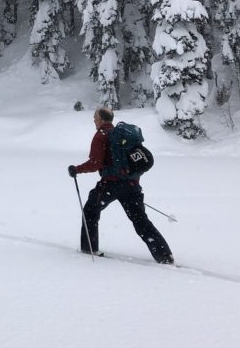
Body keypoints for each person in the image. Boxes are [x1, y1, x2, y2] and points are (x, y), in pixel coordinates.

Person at [68, 107, 173, 264]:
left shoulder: (101, 136)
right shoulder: (122, 135)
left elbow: (95, 163)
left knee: (90, 211)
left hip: (110, 184)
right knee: (140, 221)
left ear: (102, 119)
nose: (94, 120)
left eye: (95, 117)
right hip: (132, 184)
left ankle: (88, 248)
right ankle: (164, 255)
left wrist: (76, 169)